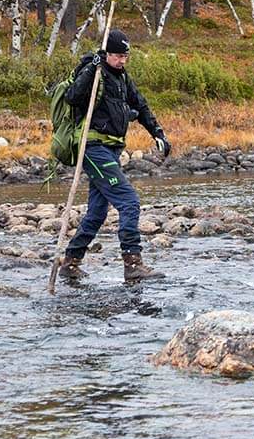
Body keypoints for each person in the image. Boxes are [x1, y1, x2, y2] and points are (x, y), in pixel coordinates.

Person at [57, 29, 171, 283]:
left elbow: (140, 105)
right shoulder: (94, 71)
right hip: (93, 148)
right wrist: (92, 69)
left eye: (125, 56)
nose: (122, 61)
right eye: (118, 56)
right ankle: (133, 264)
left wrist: (158, 133)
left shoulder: (122, 77)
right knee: (129, 201)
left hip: (111, 148)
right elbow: (72, 97)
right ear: (107, 53)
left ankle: (70, 263)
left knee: (97, 212)